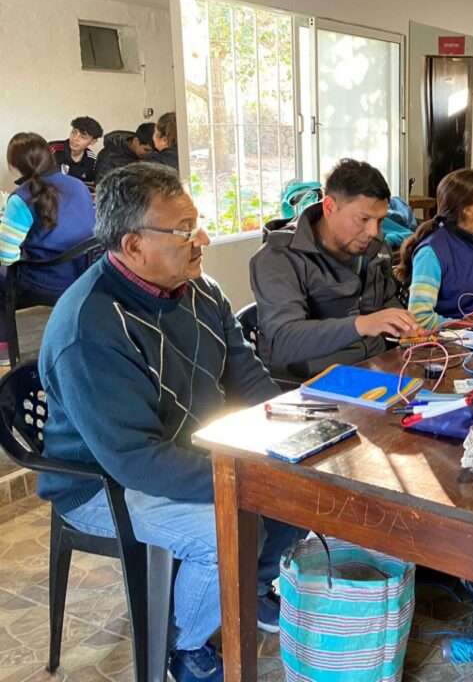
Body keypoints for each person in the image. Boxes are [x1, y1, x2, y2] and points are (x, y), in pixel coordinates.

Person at [36, 163, 303, 682]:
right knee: (226, 531)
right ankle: (183, 645)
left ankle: (250, 589)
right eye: (183, 230)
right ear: (133, 244)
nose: (201, 239)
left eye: (196, 223)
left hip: (185, 451)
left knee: (295, 492)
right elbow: (135, 461)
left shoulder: (199, 290)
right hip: (104, 482)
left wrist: (288, 436)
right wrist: (244, 479)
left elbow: (246, 376)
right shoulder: (90, 327)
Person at [251, 158, 418, 382]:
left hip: (375, 371)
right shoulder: (278, 258)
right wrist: (362, 324)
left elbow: (386, 299)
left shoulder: (374, 246)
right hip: (310, 385)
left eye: (380, 220)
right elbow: (284, 340)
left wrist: (404, 325)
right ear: (329, 207)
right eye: (364, 219)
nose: (373, 231)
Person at [0, 133, 96, 364]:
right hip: (84, 273)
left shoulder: (21, 198)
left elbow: (6, 256)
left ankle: (3, 349)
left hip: (44, 279)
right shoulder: (78, 185)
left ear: (15, 165)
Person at [397, 169, 473, 329]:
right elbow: (420, 317)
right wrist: (471, 328)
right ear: (467, 210)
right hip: (454, 337)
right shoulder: (432, 252)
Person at [48, 116, 103, 184]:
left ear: (93, 141)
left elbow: (90, 184)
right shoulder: (52, 149)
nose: (75, 138)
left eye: (83, 137)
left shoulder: (91, 159)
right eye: (74, 132)